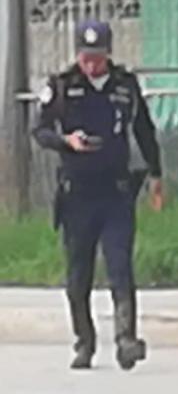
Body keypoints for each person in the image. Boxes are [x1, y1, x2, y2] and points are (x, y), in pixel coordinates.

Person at [32, 19, 164, 371]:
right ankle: (84, 342)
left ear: (108, 54)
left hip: (116, 192)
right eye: (86, 57)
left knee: (120, 266)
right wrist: (66, 142)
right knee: (79, 274)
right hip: (77, 195)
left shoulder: (125, 86)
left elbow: (144, 130)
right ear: (78, 55)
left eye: (98, 57)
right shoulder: (62, 86)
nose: (91, 64)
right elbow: (40, 130)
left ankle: (126, 339)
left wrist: (155, 174)